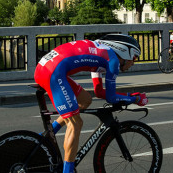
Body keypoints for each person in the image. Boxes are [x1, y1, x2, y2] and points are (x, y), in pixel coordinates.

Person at [34, 34, 148, 173]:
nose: (134, 63)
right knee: (75, 123)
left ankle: (48, 135)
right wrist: (135, 99)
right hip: (53, 72)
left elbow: (99, 92)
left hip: (48, 67)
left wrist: (128, 97)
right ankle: (68, 171)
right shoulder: (113, 61)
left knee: (85, 100)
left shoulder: (104, 56)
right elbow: (111, 98)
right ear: (125, 52)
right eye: (134, 58)